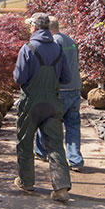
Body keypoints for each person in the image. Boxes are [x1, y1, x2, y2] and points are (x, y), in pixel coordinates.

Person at [13, 12, 72, 202]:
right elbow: (67, 78)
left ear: (34, 27)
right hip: (52, 103)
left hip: (31, 102)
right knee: (55, 144)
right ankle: (61, 187)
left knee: (25, 142)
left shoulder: (27, 48)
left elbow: (19, 78)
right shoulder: (58, 49)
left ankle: (26, 182)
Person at [34, 16, 84, 171]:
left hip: (59, 89)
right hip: (75, 89)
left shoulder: (53, 42)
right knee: (73, 125)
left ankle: (41, 152)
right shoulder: (71, 41)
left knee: (46, 121)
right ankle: (75, 160)